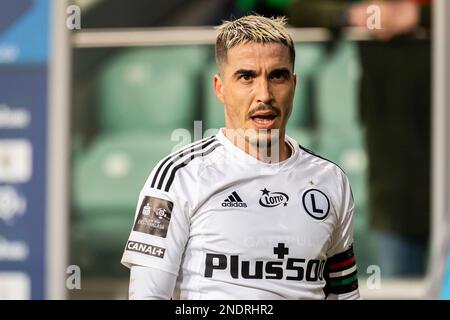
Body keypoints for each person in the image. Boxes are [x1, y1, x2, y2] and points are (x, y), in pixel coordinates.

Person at [121, 15, 360, 299]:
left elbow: (345, 296)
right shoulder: (178, 177)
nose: (265, 95)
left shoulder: (330, 180)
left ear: (294, 84)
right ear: (220, 88)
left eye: (277, 76)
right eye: (247, 77)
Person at [287, 0, 431, 277]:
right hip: (394, 170)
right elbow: (303, 10)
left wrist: (418, 15)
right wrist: (352, 14)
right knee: (398, 284)